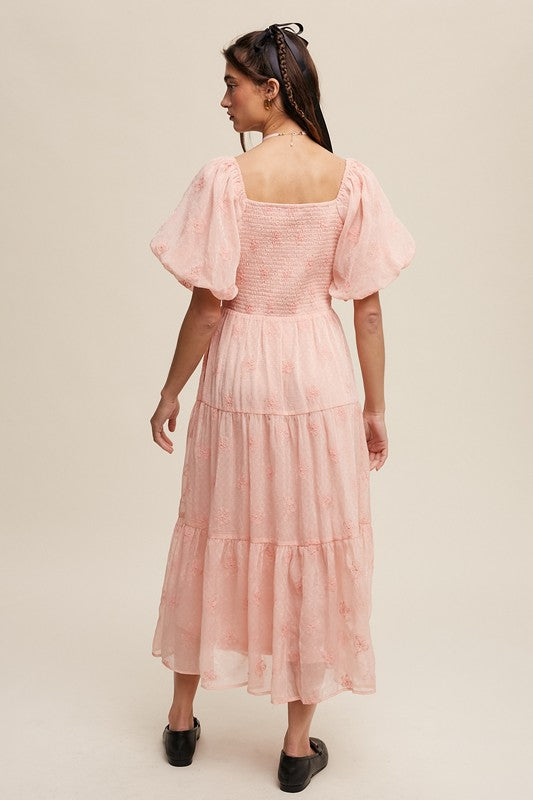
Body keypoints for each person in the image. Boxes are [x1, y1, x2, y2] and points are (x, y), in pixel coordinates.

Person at [148, 22, 416, 792]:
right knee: (308, 539)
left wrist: (171, 390)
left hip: (240, 371)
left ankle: (178, 722)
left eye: (232, 83)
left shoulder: (226, 181)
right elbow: (366, 311)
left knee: (215, 529)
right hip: (316, 373)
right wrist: (375, 406)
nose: (222, 98)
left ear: (270, 89)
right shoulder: (349, 179)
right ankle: (297, 745)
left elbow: (207, 307)